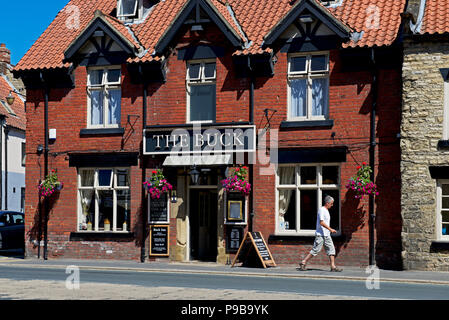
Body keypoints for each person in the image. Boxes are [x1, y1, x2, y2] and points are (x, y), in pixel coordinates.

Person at [298, 195, 342, 272]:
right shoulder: (322, 210)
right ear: (327, 203)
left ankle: (333, 266)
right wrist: (330, 229)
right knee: (316, 250)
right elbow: (321, 222)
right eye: (331, 203)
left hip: (326, 234)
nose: (332, 205)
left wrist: (329, 231)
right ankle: (303, 262)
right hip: (320, 234)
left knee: (331, 249)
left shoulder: (327, 211)